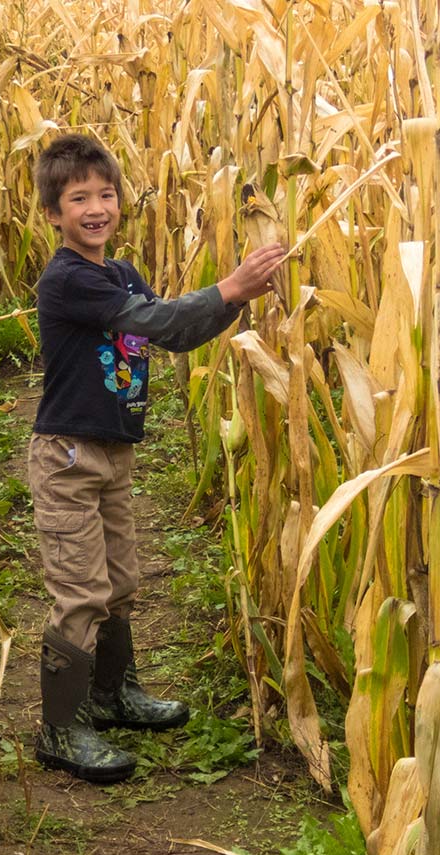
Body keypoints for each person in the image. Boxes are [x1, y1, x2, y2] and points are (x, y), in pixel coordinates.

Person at [29, 133, 285, 782]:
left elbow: (176, 328)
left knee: (119, 584)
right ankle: (60, 730)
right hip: (67, 457)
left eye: (106, 194)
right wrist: (230, 285)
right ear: (53, 214)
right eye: (78, 198)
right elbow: (162, 322)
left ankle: (114, 695)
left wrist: (239, 296)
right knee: (82, 591)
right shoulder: (68, 281)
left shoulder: (119, 275)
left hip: (113, 454)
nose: (95, 208)